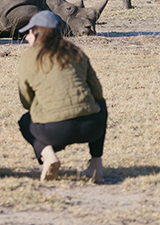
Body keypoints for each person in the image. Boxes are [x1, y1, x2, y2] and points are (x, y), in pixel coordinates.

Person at [17, 10, 107, 182]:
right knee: (100, 103)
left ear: (38, 32)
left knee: (25, 121)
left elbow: (26, 101)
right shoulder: (76, 51)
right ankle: (96, 164)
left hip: (54, 132)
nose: (27, 37)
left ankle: (48, 155)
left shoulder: (28, 56)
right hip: (92, 127)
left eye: (29, 32)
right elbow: (97, 93)